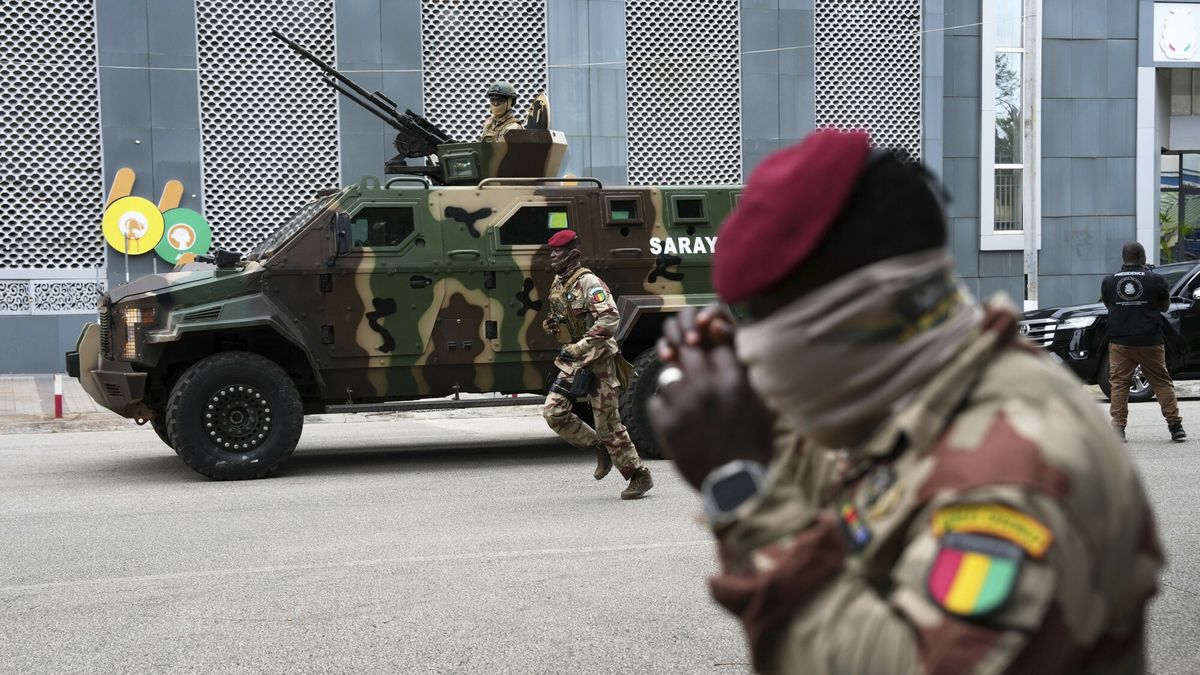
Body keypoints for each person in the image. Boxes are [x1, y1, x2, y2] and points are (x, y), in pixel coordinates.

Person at [649, 129, 1162, 673]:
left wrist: (738, 487)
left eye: (766, 319)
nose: (754, 349)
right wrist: (749, 423)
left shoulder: (1011, 470)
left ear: (858, 314)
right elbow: (846, 488)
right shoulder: (927, 398)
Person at [542, 229, 652, 500]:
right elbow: (562, 317)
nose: (553, 255)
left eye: (557, 251)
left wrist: (581, 345)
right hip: (574, 361)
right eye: (552, 251)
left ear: (571, 253)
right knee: (553, 412)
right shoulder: (559, 284)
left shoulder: (589, 282)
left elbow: (609, 320)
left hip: (599, 359)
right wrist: (552, 326)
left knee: (608, 424)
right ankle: (597, 446)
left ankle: (638, 475)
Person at [1101, 242, 1185, 442]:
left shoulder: (1109, 281)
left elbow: (1108, 305)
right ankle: (1175, 427)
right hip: (1150, 340)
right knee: (1161, 382)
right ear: (1141, 256)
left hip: (1120, 341)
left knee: (1120, 384)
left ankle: (1118, 430)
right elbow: (1164, 307)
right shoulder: (1155, 279)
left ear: (1124, 258)